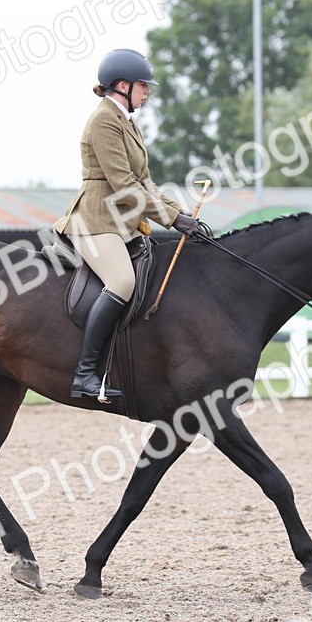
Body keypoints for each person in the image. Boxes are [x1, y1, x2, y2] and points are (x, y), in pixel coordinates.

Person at [53, 48, 202, 403]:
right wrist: (170, 219)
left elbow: (145, 182)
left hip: (124, 222)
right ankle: (85, 374)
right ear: (122, 85)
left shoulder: (126, 121)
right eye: (143, 86)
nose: (147, 92)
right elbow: (123, 184)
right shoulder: (104, 120)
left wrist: (182, 216)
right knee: (122, 280)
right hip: (95, 220)